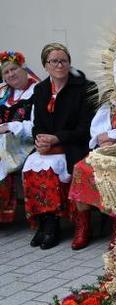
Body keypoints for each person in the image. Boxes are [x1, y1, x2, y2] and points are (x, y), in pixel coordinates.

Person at [22, 43, 97, 249]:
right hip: (49, 146)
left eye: (63, 60)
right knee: (31, 165)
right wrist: (40, 140)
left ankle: (66, 227)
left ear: (69, 62)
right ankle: (46, 222)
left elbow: (86, 128)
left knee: (53, 170)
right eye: (54, 61)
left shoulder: (85, 88)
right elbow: (37, 125)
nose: (59, 65)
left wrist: (56, 138)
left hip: (75, 144)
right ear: (45, 65)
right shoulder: (40, 89)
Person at [67, 96, 116, 249]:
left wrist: (115, 138)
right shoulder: (109, 105)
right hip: (106, 151)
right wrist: (103, 139)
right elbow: (96, 130)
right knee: (81, 168)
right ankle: (84, 226)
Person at [0, 51, 40, 224]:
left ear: (24, 69)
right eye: (6, 72)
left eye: (14, 69)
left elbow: (38, 125)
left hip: (25, 141)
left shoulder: (38, 91)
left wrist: (10, 126)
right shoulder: (3, 92)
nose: (11, 74)